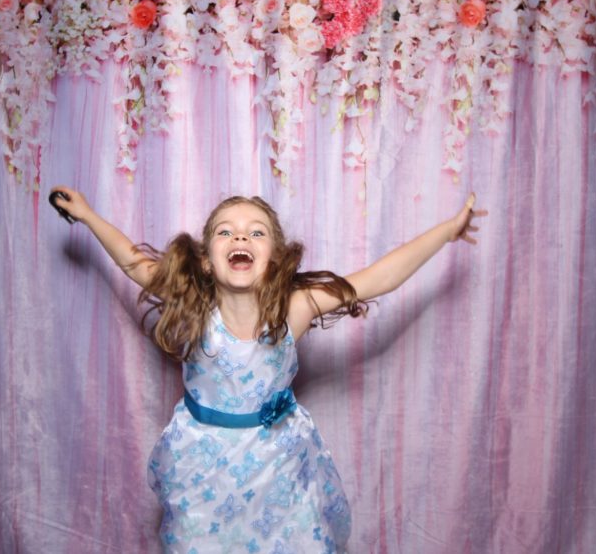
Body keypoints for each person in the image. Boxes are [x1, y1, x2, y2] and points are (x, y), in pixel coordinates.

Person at [49, 188, 486, 553]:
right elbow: (134, 263)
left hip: (278, 464)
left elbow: (377, 278)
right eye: (226, 231)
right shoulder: (194, 304)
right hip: (203, 465)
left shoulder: (294, 308)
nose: (241, 236)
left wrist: (446, 232)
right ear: (206, 260)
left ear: (274, 259)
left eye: (256, 232)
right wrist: (87, 215)